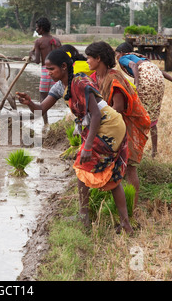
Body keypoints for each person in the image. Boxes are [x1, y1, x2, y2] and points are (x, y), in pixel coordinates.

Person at [17, 49, 133, 234]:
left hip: (108, 126)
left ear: (64, 67)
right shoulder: (59, 86)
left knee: (84, 169)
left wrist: (87, 146)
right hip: (99, 127)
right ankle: (116, 222)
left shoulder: (80, 82)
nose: (48, 73)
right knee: (105, 176)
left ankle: (86, 217)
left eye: (51, 69)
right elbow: (40, 110)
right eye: (46, 70)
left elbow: (95, 115)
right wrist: (29, 102)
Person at [85, 41, 151, 209]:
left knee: (128, 167)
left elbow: (118, 108)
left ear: (98, 59)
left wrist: (99, 121)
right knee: (112, 166)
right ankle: (115, 205)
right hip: (110, 125)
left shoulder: (113, 78)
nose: (87, 62)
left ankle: (132, 207)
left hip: (123, 125)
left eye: (89, 58)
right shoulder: (95, 78)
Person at [115, 42, 172, 158]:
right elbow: (161, 73)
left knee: (136, 114)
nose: (116, 58)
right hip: (158, 82)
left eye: (117, 54)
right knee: (152, 116)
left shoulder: (123, 58)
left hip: (146, 82)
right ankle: (154, 151)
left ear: (122, 53)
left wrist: (137, 83)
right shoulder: (142, 59)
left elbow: (133, 66)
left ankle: (134, 149)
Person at [29, 17, 62, 125]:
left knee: (43, 97)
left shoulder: (39, 41)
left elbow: (37, 61)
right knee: (64, 93)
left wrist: (31, 55)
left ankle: (45, 123)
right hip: (60, 71)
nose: (37, 30)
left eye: (37, 28)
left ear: (42, 29)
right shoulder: (57, 41)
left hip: (46, 72)